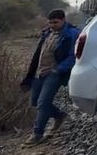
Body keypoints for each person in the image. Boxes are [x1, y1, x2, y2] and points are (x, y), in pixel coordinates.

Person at [20, 9, 80, 146]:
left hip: (54, 74)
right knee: (35, 101)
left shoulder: (72, 34)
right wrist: (29, 76)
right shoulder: (47, 33)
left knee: (43, 103)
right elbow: (38, 55)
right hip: (39, 73)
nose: (52, 25)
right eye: (50, 22)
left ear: (63, 20)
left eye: (55, 22)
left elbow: (73, 56)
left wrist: (58, 70)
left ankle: (37, 134)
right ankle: (59, 115)